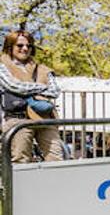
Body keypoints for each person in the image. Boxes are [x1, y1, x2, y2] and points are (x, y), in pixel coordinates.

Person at [1, 31, 63, 163]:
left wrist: (29, 88)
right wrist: (41, 87)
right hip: (18, 119)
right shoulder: (2, 67)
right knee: (20, 160)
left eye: (28, 46)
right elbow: (14, 86)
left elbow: (55, 91)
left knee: (56, 158)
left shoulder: (42, 69)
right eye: (20, 45)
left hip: (44, 117)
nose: (25, 49)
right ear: (10, 46)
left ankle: (56, 183)